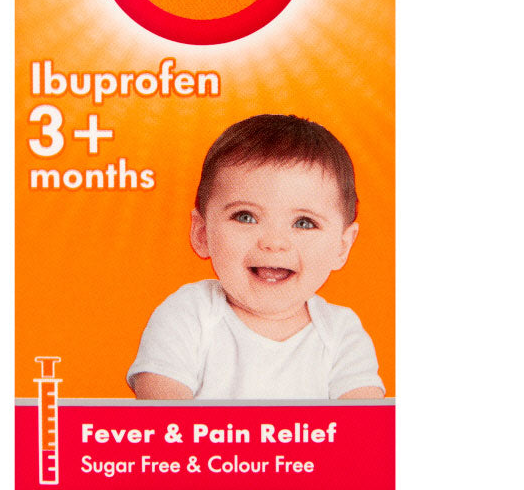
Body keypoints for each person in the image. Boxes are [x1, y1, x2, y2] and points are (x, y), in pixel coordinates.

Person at [127, 114, 385, 399]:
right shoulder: (188, 314)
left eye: (304, 223)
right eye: (245, 217)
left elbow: (365, 423)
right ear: (201, 233)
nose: (274, 243)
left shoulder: (341, 334)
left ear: (342, 246)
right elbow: (162, 417)